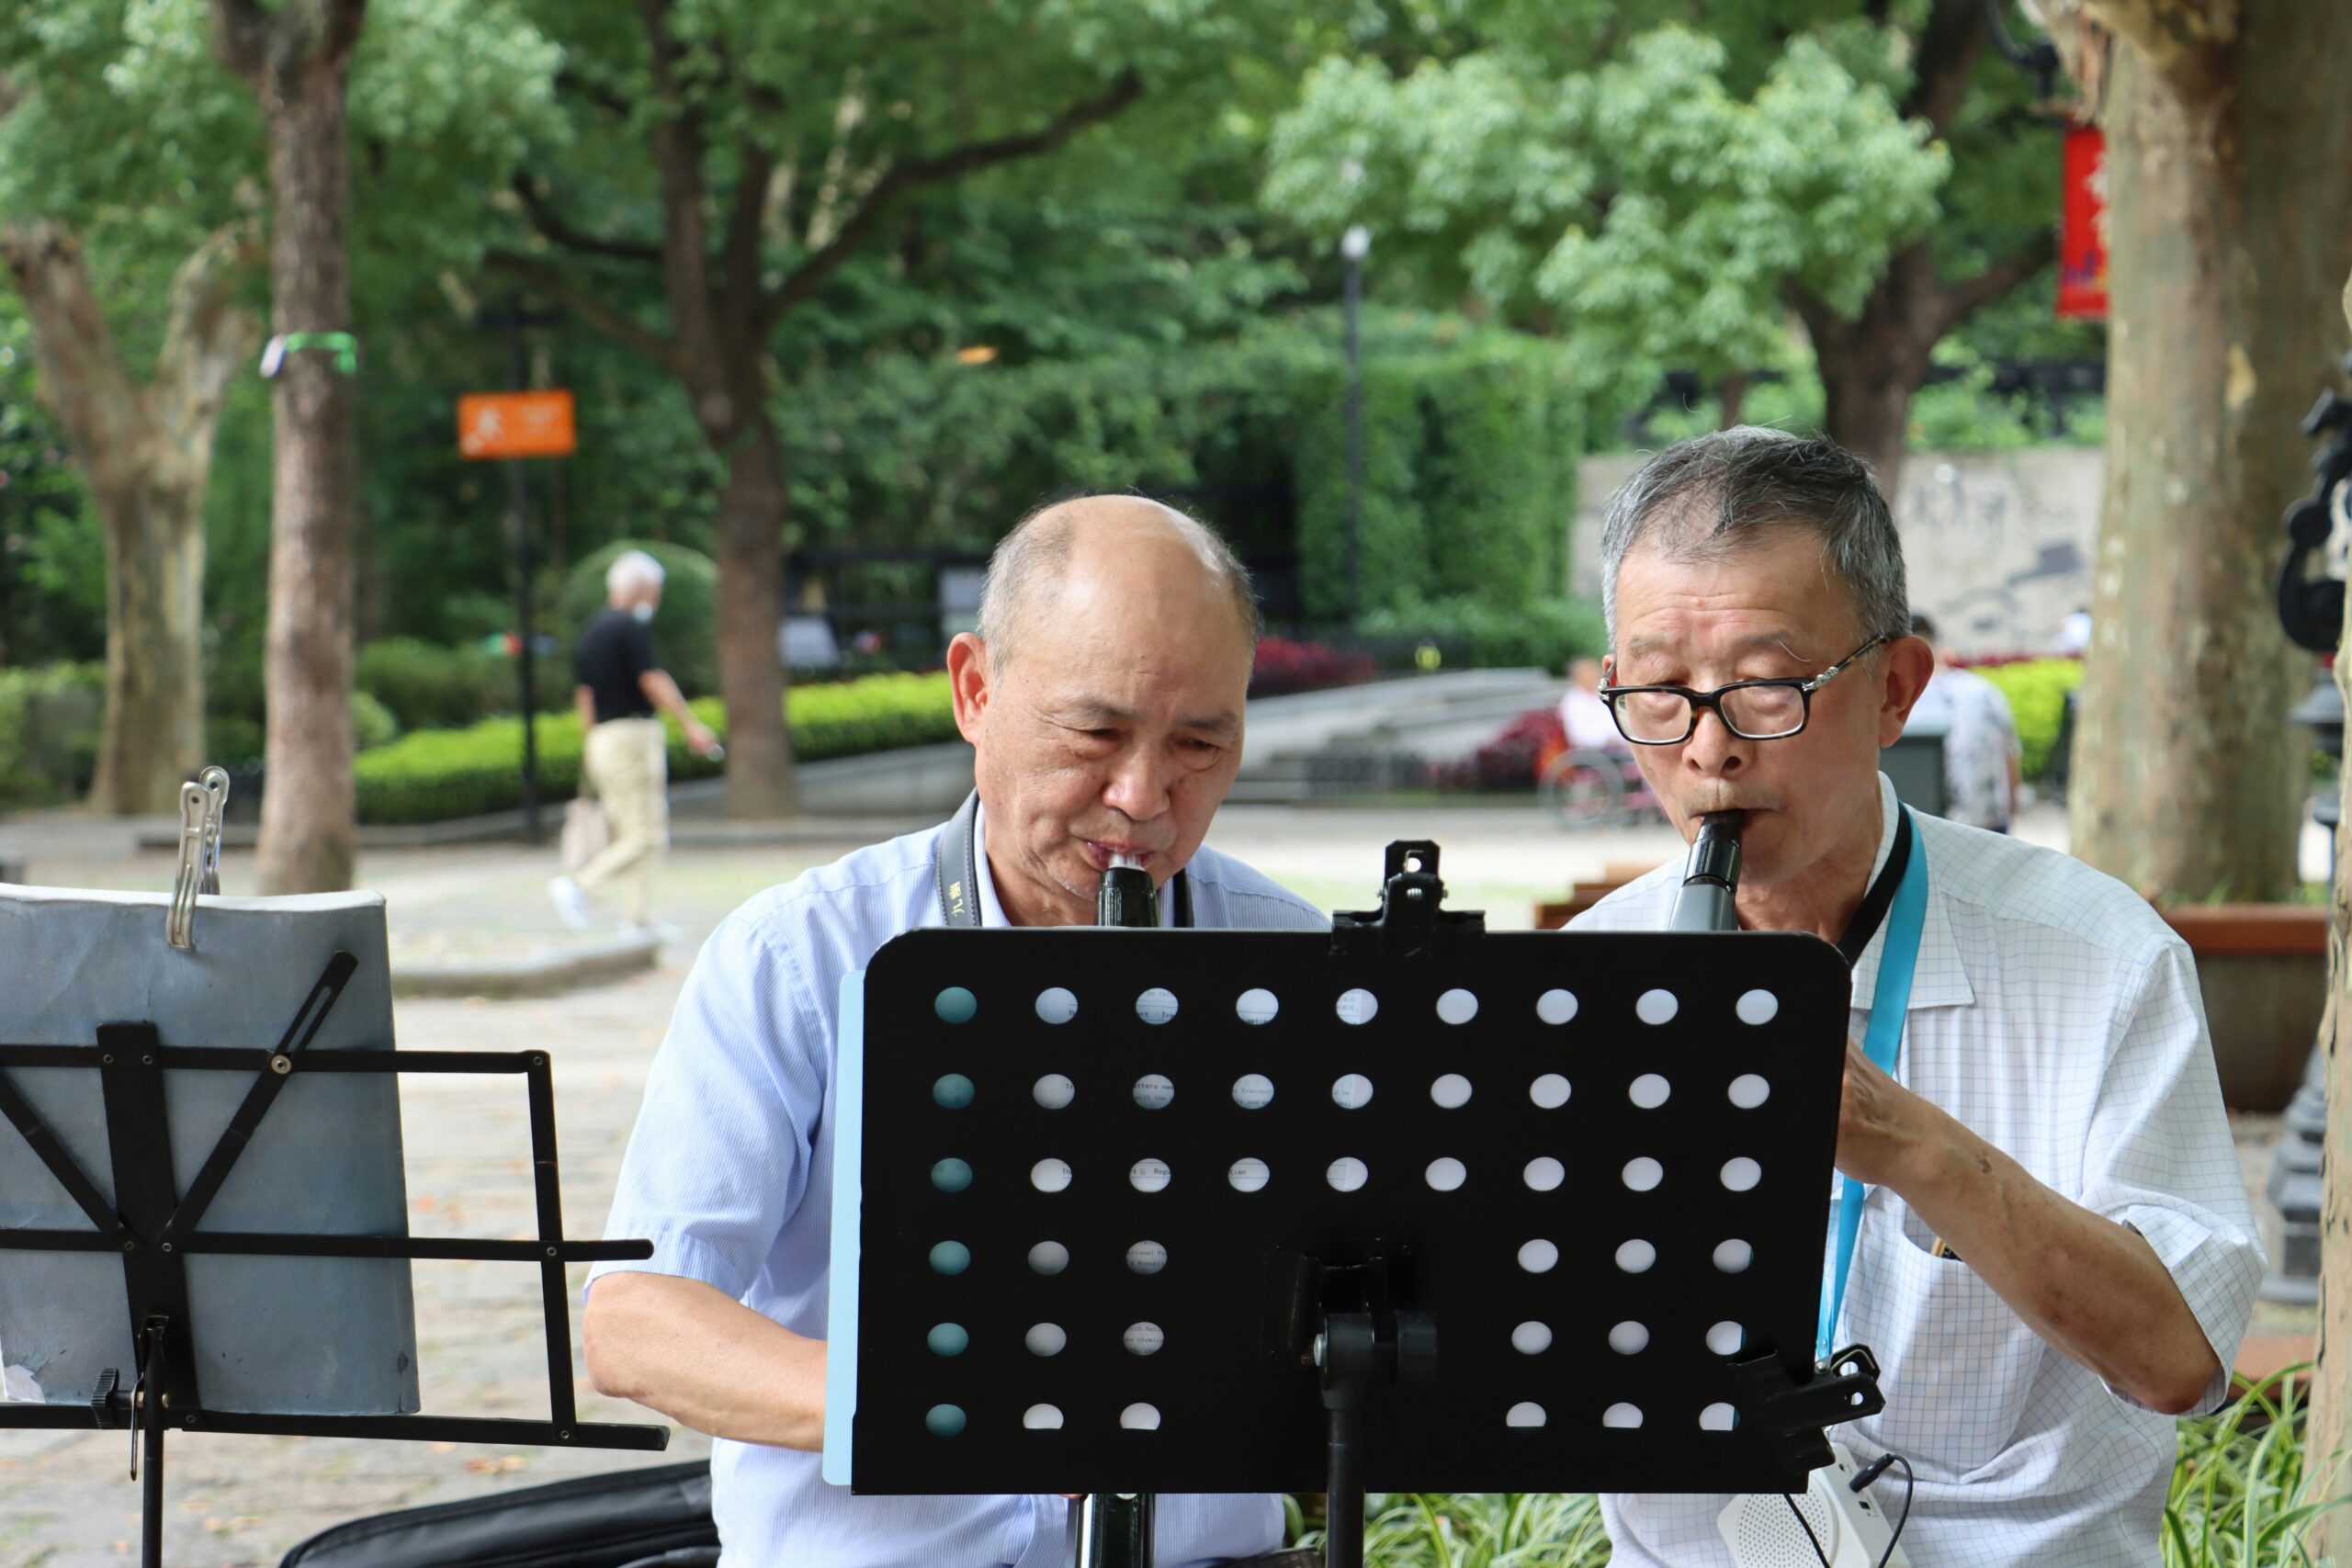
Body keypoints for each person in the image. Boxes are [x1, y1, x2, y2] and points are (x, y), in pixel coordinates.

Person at [581, 496, 1327, 1568]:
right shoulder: (798, 956)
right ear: (975, 690)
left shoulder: (1292, 963)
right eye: (1095, 733)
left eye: (1201, 743)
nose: (1142, 796)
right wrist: (959, 1401)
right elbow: (637, 1320)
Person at [1577, 428, 2259, 1566]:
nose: (1708, 752)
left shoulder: (2098, 955)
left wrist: (1905, 1145)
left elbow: (2178, 1362)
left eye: (1762, 690)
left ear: (1894, 689)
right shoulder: (1593, 973)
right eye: (1658, 692)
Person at [548, 549, 720, 936]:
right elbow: (652, 679)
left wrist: (590, 745)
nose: (656, 599)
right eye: (655, 590)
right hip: (631, 737)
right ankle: (578, 886)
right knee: (646, 834)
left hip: (604, 739)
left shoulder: (592, 631)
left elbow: (585, 696)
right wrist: (690, 725)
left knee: (639, 830)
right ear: (640, 587)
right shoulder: (627, 627)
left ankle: (639, 917)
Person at [1904, 612, 2022, 832]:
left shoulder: (1895, 702)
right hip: (1989, 828)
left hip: (1923, 833)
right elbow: (2011, 760)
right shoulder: (1985, 692)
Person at [1557, 656, 1626, 755]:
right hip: (1597, 753)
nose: (1593, 676)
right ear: (1577, 677)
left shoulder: (1601, 694)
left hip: (1619, 746)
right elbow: (1578, 736)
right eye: (1588, 672)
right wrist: (1607, 740)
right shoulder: (1572, 703)